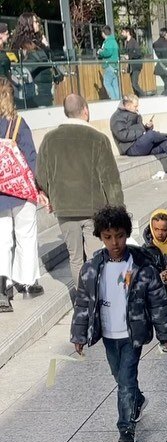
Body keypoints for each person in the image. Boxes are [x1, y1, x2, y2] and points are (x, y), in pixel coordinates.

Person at [71, 205, 167, 442]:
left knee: (126, 379)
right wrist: (78, 334)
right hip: (107, 333)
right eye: (108, 237)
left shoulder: (142, 267)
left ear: (126, 234)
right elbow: (83, 303)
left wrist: (165, 333)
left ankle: (126, 428)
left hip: (132, 333)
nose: (114, 242)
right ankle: (137, 400)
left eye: (119, 236)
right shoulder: (92, 268)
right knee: (119, 377)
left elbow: (158, 302)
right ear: (100, 237)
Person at [35, 94, 124, 286]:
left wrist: (50, 196)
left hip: (64, 209)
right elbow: (110, 179)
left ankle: (81, 300)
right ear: (86, 110)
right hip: (93, 209)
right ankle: (97, 297)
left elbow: (41, 176)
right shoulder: (98, 138)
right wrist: (118, 211)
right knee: (94, 256)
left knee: (75, 259)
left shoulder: (49, 139)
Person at [0, 77, 47, 304]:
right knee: (26, 235)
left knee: (2, 239)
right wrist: (41, 188)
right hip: (21, 191)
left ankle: (3, 286)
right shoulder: (17, 123)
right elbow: (31, 159)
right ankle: (27, 283)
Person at [110, 95, 167, 180]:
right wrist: (143, 133)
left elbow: (139, 131)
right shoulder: (117, 117)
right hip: (131, 148)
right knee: (151, 135)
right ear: (127, 105)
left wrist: (147, 127)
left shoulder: (134, 113)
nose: (137, 108)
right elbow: (122, 135)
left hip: (142, 145)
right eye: (135, 106)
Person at [12, 13, 53, 107]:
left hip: (44, 88)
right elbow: (37, 60)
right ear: (28, 24)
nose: (38, 24)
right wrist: (45, 48)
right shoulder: (23, 44)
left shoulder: (37, 41)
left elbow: (48, 59)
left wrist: (45, 46)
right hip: (36, 91)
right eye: (35, 22)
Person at [120, 27, 145, 98]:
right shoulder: (127, 42)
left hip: (136, 65)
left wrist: (129, 56)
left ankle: (143, 96)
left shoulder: (133, 42)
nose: (122, 33)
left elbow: (138, 53)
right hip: (131, 65)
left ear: (128, 32)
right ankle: (138, 97)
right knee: (133, 84)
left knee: (134, 84)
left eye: (123, 32)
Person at [98, 26, 121, 100]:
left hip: (109, 65)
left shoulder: (108, 42)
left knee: (107, 83)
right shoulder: (114, 41)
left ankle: (113, 100)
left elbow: (108, 52)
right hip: (115, 66)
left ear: (103, 33)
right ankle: (117, 100)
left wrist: (100, 52)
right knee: (114, 84)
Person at [152, 28, 167, 97]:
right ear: (166, 34)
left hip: (160, 66)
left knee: (166, 84)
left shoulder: (155, 44)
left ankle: (164, 97)